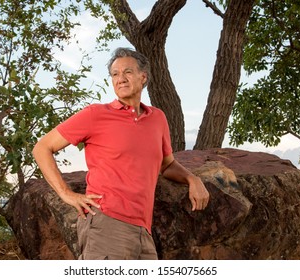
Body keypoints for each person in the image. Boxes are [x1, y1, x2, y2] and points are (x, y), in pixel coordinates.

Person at [32, 47, 210, 260]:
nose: (120, 78)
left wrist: (193, 179)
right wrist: (66, 194)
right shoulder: (96, 114)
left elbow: (166, 165)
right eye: (115, 74)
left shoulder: (157, 118)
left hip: (143, 230)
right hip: (106, 224)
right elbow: (42, 148)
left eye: (127, 72)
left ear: (143, 77)